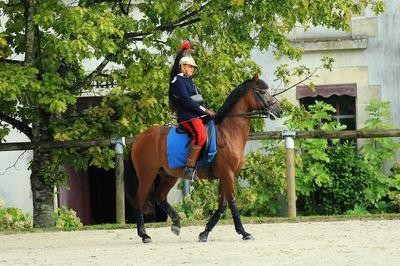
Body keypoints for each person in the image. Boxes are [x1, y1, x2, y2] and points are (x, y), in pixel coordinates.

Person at [169, 43, 215, 181]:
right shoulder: (177, 81)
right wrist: (204, 110)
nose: (193, 69)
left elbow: (198, 98)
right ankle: (189, 168)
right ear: (183, 66)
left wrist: (207, 109)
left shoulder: (190, 82)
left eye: (193, 67)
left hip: (198, 114)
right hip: (188, 116)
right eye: (191, 67)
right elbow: (187, 101)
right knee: (201, 135)